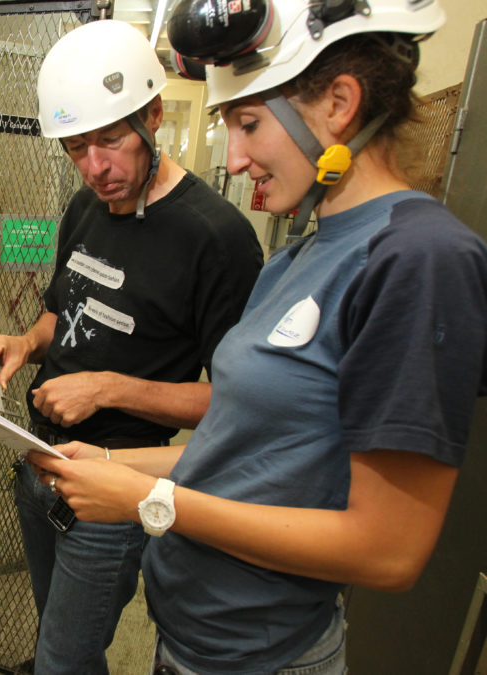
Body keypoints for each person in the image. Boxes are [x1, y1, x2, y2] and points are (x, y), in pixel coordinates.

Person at [27, 1, 487, 673]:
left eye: (248, 124)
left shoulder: (417, 259)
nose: (234, 160)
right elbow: (240, 457)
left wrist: (151, 503)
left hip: (262, 655)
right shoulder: (298, 255)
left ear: (339, 102)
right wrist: (104, 464)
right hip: (190, 639)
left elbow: (387, 551)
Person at [0, 19, 263, 675]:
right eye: (77, 148)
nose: (96, 167)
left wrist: (106, 388)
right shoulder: (84, 208)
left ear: (154, 116)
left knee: (65, 660)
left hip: (117, 485)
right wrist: (25, 342)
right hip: (41, 461)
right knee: (56, 636)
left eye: (111, 140)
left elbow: (236, 405)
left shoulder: (218, 239)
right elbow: (59, 315)